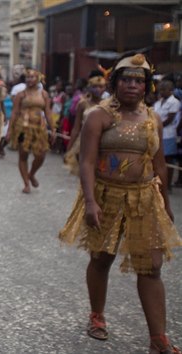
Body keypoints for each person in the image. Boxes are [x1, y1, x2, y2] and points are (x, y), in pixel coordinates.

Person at [59, 53, 182, 354]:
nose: (132, 85)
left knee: (151, 267)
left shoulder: (152, 117)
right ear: (115, 83)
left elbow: (160, 165)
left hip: (145, 199)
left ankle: (158, 339)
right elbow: (87, 162)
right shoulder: (98, 116)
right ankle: (97, 316)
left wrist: (165, 202)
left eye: (138, 81)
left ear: (146, 86)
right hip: (107, 197)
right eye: (126, 79)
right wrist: (90, 202)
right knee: (102, 258)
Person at [7, 69, 55, 193]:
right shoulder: (21, 95)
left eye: (32, 77)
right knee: (23, 155)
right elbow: (14, 113)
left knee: (41, 155)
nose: (29, 79)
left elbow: (48, 113)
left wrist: (53, 129)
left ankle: (32, 173)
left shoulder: (43, 94)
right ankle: (26, 183)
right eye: (27, 77)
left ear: (37, 78)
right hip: (23, 128)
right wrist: (9, 131)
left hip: (39, 129)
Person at [64, 72, 107, 175]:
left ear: (105, 88)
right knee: (84, 173)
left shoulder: (108, 105)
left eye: (101, 87)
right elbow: (76, 128)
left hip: (103, 142)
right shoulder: (83, 104)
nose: (98, 89)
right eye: (95, 86)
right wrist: (69, 149)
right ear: (89, 88)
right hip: (84, 142)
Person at [153, 80, 180, 190]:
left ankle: (167, 185)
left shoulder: (174, 102)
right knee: (157, 159)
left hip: (168, 134)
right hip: (157, 134)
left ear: (171, 90)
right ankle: (158, 183)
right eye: (161, 90)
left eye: (164, 90)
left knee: (167, 161)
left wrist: (156, 125)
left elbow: (170, 119)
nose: (162, 92)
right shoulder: (158, 102)